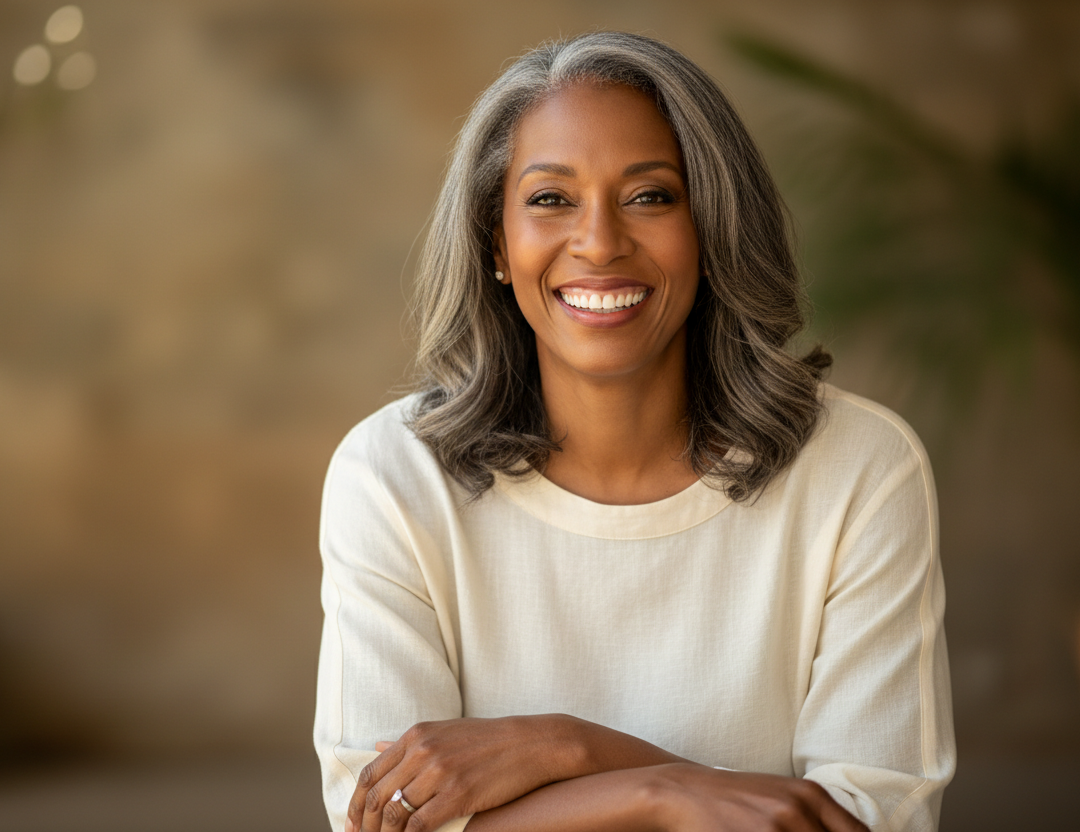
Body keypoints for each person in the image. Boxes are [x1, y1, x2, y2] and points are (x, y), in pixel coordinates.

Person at [314, 31, 954, 832]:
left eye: (650, 196)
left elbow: (869, 822)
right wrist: (666, 793)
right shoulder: (390, 475)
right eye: (550, 199)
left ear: (712, 228)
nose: (600, 243)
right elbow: (378, 820)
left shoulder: (861, 467)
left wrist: (567, 750)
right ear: (497, 245)